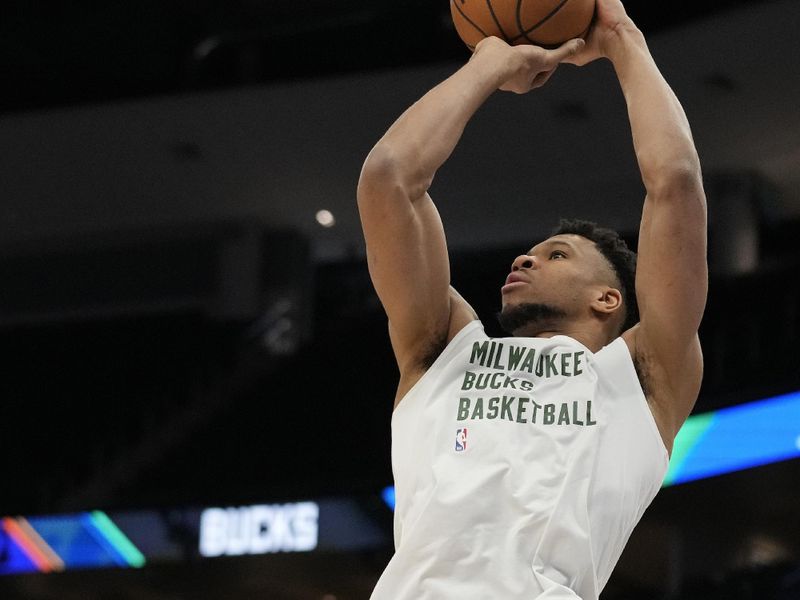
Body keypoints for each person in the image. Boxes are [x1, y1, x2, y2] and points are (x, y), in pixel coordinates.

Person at [357, 0, 707, 597]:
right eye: (532, 252)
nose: (525, 258)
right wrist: (488, 65)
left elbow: (673, 184)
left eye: (557, 255)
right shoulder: (443, 350)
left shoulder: (642, 377)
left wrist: (622, 37)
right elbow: (388, 178)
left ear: (608, 299)